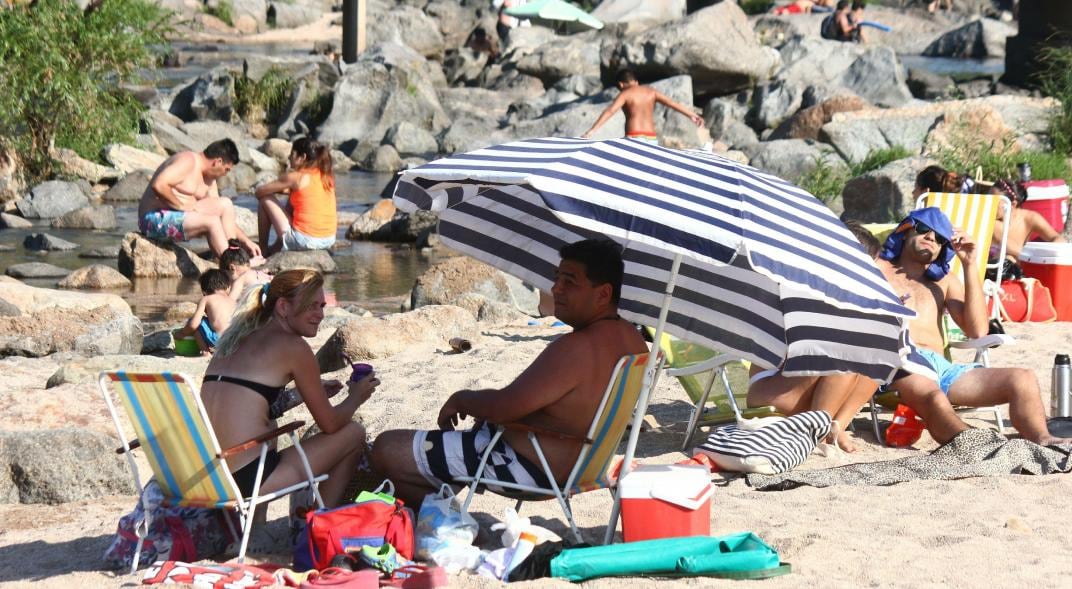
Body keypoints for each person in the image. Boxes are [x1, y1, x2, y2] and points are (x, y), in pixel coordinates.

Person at [370, 239, 649, 506]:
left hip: (528, 468)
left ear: (603, 294)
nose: (557, 289)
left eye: (570, 282)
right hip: (584, 466)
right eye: (557, 278)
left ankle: (448, 517)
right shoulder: (632, 341)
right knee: (456, 441)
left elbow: (504, 407)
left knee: (385, 448)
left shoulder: (578, 348)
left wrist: (461, 398)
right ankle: (442, 497)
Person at [877, 207, 1070, 446]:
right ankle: (979, 445)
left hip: (942, 370)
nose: (931, 238)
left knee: (1023, 378)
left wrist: (970, 264)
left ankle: (1043, 439)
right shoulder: (877, 269)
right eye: (924, 229)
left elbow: (978, 331)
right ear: (906, 231)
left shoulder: (944, 282)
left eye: (939, 238)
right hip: (901, 364)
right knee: (936, 398)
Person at [201, 269, 372, 506]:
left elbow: (246, 405)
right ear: (283, 307)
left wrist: (299, 395)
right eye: (311, 306)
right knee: (354, 433)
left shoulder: (234, 340)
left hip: (205, 475)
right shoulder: (294, 347)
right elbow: (330, 424)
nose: (320, 314)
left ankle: (259, 527)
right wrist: (356, 396)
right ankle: (317, 522)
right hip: (246, 480)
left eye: (322, 306)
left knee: (268, 425)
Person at [138, 139, 261, 259]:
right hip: (151, 220)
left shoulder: (210, 180)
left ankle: (235, 254)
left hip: (179, 218)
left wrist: (246, 241)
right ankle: (233, 265)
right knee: (211, 222)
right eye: (226, 169)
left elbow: (224, 219)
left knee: (225, 204)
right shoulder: (187, 161)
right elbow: (158, 184)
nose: (225, 174)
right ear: (218, 161)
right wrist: (181, 205)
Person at [254, 137, 338, 255]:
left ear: (302, 157)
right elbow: (309, 195)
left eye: (292, 154)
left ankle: (262, 251)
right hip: (329, 239)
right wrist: (286, 191)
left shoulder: (296, 177)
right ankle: (275, 249)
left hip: (305, 241)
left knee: (264, 199)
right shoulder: (326, 176)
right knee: (294, 199)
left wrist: (277, 190)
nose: (288, 157)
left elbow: (260, 192)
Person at [580, 69, 704, 143]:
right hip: (651, 138)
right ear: (636, 82)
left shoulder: (625, 94)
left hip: (634, 136)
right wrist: (693, 115)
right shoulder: (651, 91)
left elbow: (610, 111)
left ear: (621, 84)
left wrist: (592, 131)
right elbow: (672, 103)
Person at [990, 178, 1065, 267]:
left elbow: (1057, 238)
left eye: (994, 202)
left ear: (1013, 204)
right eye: (988, 199)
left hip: (1020, 263)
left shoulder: (1029, 218)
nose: (989, 204)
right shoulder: (991, 222)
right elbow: (1017, 251)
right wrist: (1040, 258)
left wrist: (1053, 249)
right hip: (994, 267)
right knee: (1009, 258)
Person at [177, 269, 237, 354]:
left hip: (219, 339)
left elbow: (193, 325)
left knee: (194, 322)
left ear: (204, 292)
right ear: (228, 287)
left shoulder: (206, 299)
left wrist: (182, 333)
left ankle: (205, 352)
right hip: (236, 340)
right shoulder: (233, 301)